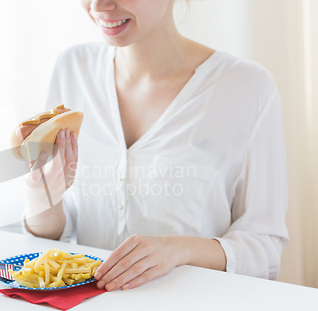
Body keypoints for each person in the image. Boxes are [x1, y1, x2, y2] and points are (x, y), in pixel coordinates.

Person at [23, 0, 288, 291]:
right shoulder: (72, 68)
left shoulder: (247, 88)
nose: (99, 5)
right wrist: (41, 198)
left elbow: (265, 248)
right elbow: (59, 236)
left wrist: (179, 250)